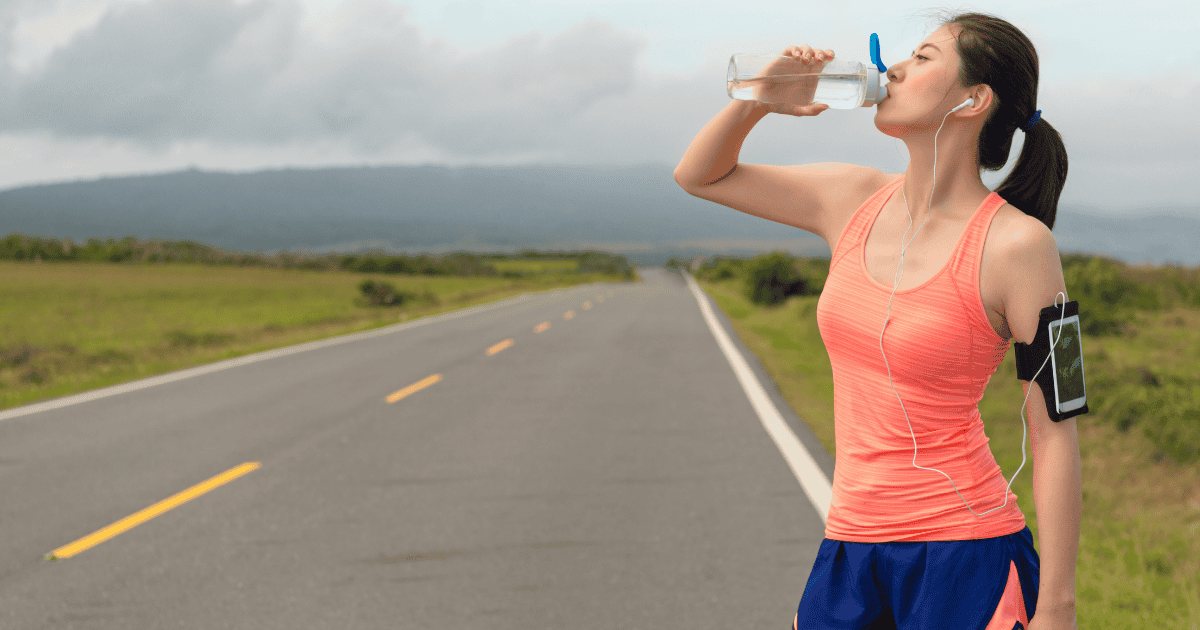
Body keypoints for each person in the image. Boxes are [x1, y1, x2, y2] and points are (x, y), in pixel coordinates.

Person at [674, 11, 1081, 630]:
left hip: (964, 556)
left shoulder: (1020, 247)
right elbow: (699, 175)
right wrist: (762, 99)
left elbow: (1056, 431)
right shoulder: (851, 197)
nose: (892, 68)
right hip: (849, 544)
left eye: (922, 58)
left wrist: (1055, 605)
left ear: (974, 99)